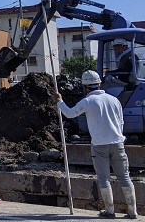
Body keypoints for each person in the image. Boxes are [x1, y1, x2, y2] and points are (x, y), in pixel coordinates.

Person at [55, 70, 137, 219]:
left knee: (104, 178)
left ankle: (110, 210)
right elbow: (121, 122)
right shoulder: (114, 100)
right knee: (124, 177)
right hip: (118, 143)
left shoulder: (88, 101)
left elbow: (69, 113)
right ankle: (132, 212)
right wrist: (118, 137)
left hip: (99, 145)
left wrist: (60, 101)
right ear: (99, 84)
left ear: (85, 87)